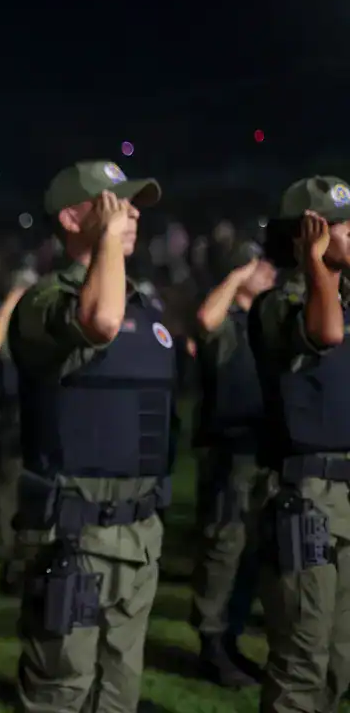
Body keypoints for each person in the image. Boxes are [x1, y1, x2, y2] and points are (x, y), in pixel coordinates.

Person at [8, 161, 170, 712]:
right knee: (61, 692)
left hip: (138, 534)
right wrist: (103, 246)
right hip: (72, 536)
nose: (132, 215)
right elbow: (97, 322)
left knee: (119, 691)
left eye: (133, 206)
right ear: (75, 216)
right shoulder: (45, 302)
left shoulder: (146, 308)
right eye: (115, 205)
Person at [249, 176, 350, 712]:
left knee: (340, 664)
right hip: (303, 498)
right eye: (341, 226)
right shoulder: (278, 304)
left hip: (345, 498)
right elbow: (325, 333)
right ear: (307, 233)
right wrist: (315, 265)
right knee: (301, 662)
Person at [190, 241, 276, 688]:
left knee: (252, 553)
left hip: (262, 449)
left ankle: (232, 636)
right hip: (230, 451)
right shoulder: (227, 322)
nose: (269, 272)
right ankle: (211, 642)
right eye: (259, 266)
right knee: (224, 547)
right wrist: (238, 276)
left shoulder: (264, 322)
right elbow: (204, 321)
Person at [0, 268, 37, 593]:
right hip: (9, 420)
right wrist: (13, 300)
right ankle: (11, 564)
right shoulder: (4, 320)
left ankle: (26, 563)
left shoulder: (38, 323)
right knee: (8, 496)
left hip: (36, 420)